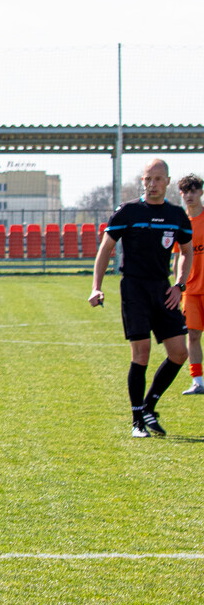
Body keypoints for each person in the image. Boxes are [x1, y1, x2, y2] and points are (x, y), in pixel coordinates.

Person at [90, 158, 193, 437]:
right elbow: (106, 248)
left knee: (179, 352)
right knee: (142, 354)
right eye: (148, 179)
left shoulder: (176, 216)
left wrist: (179, 285)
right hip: (134, 288)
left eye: (158, 179)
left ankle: (149, 405)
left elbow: (187, 251)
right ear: (142, 181)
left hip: (163, 289)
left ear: (168, 181)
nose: (152, 184)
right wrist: (96, 286)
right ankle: (137, 421)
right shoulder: (128, 212)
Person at [174, 173, 204, 394]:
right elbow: (177, 257)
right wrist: (178, 285)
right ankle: (198, 382)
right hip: (191, 290)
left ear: (201, 192)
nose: (189, 195)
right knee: (192, 334)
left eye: (193, 190)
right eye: (185, 191)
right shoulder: (180, 222)